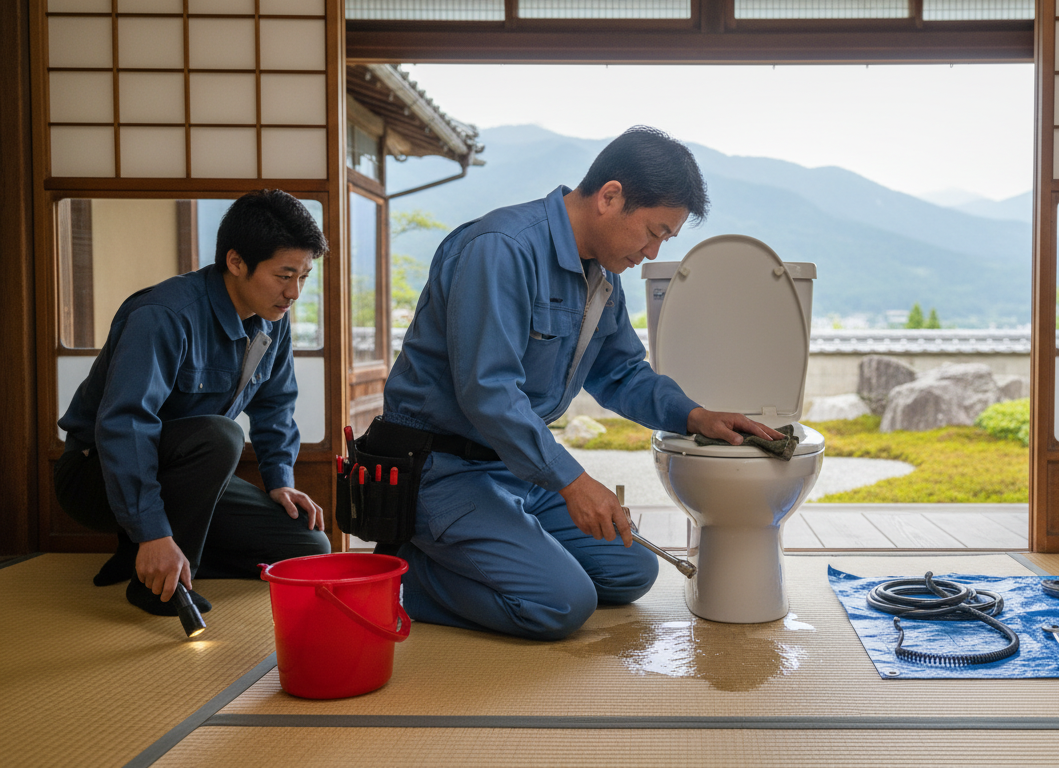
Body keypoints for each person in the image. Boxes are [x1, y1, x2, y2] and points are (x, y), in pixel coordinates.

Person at [377, 126, 782, 641]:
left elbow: (622, 372)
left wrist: (695, 415)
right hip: (440, 470)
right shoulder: (501, 249)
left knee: (631, 570)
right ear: (610, 197)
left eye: (666, 239)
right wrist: (573, 481)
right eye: (653, 232)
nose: (653, 253)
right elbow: (488, 390)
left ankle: (497, 547)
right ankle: (403, 576)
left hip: (513, 469)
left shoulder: (602, 279)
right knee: (562, 604)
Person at [55, 189, 332, 618]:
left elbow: (276, 403)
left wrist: (279, 479)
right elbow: (124, 425)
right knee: (221, 435)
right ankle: (158, 583)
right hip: (98, 473)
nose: (294, 292)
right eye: (284, 275)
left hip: (186, 480)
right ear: (237, 262)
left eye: (303, 277)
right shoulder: (165, 315)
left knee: (307, 548)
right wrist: (151, 530)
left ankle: (150, 558)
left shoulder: (273, 319)